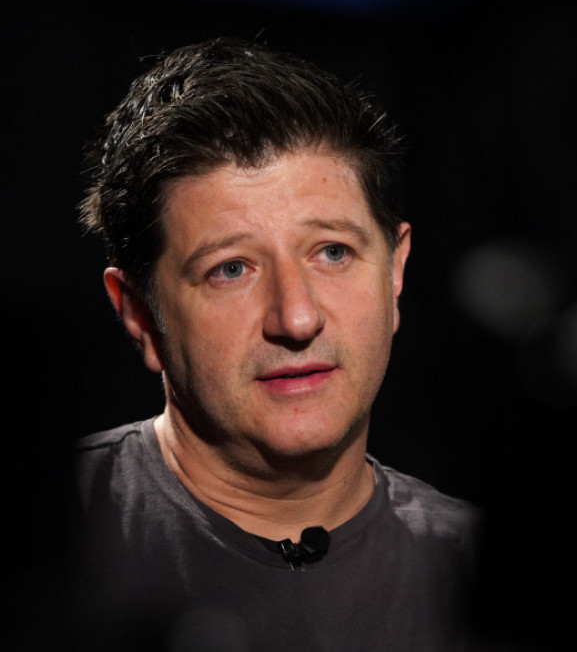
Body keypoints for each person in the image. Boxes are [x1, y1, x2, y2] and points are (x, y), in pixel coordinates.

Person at [72, 37, 482, 652]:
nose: (296, 317)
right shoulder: (44, 544)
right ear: (139, 315)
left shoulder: (493, 577)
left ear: (394, 273)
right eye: (231, 269)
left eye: (332, 252)